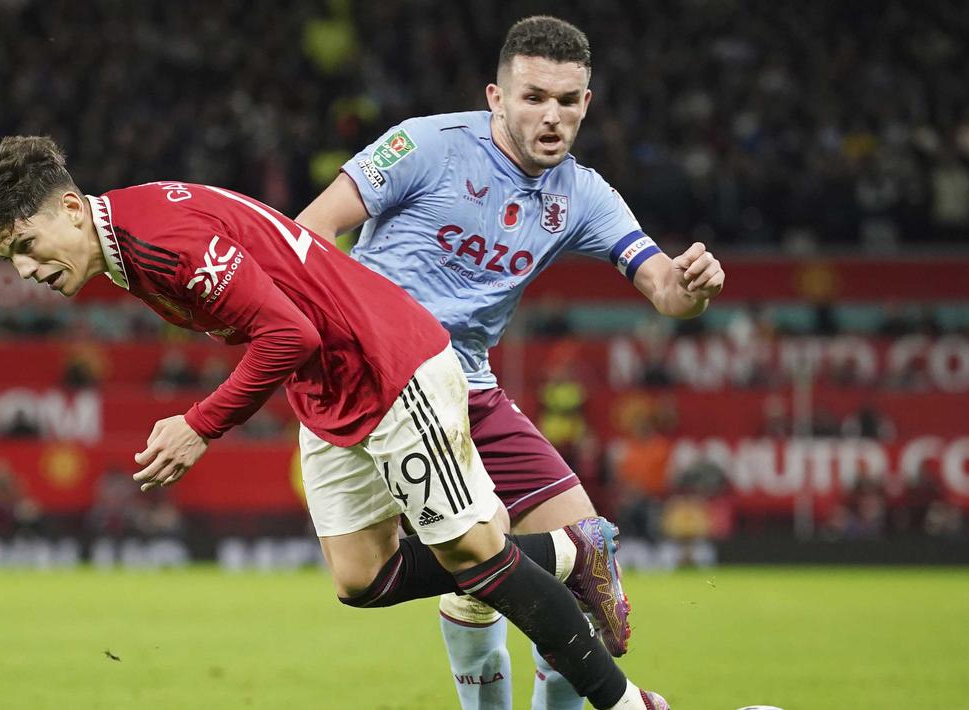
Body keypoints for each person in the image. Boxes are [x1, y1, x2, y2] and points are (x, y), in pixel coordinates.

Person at [0, 135, 667, 710]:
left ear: (68, 208)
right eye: (8, 258)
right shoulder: (126, 234)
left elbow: (286, 333)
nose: (24, 269)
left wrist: (200, 425)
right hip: (326, 386)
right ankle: (569, 550)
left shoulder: (157, 240)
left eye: (25, 243)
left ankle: (627, 699)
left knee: (479, 561)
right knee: (361, 578)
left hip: (385, 367)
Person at [297, 15, 723, 710]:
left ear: (585, 104)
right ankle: (557, 561)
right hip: (368, 375)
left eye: (565, 100)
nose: (549, 115)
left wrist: (690, 287)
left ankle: (557, 573)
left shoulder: (582, 194)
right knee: (371, 580)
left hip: (466, 386)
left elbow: (664, 291)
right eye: (532, 97)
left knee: (579, 568)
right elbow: (310, 230)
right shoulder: (424, 145)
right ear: (495, 97)